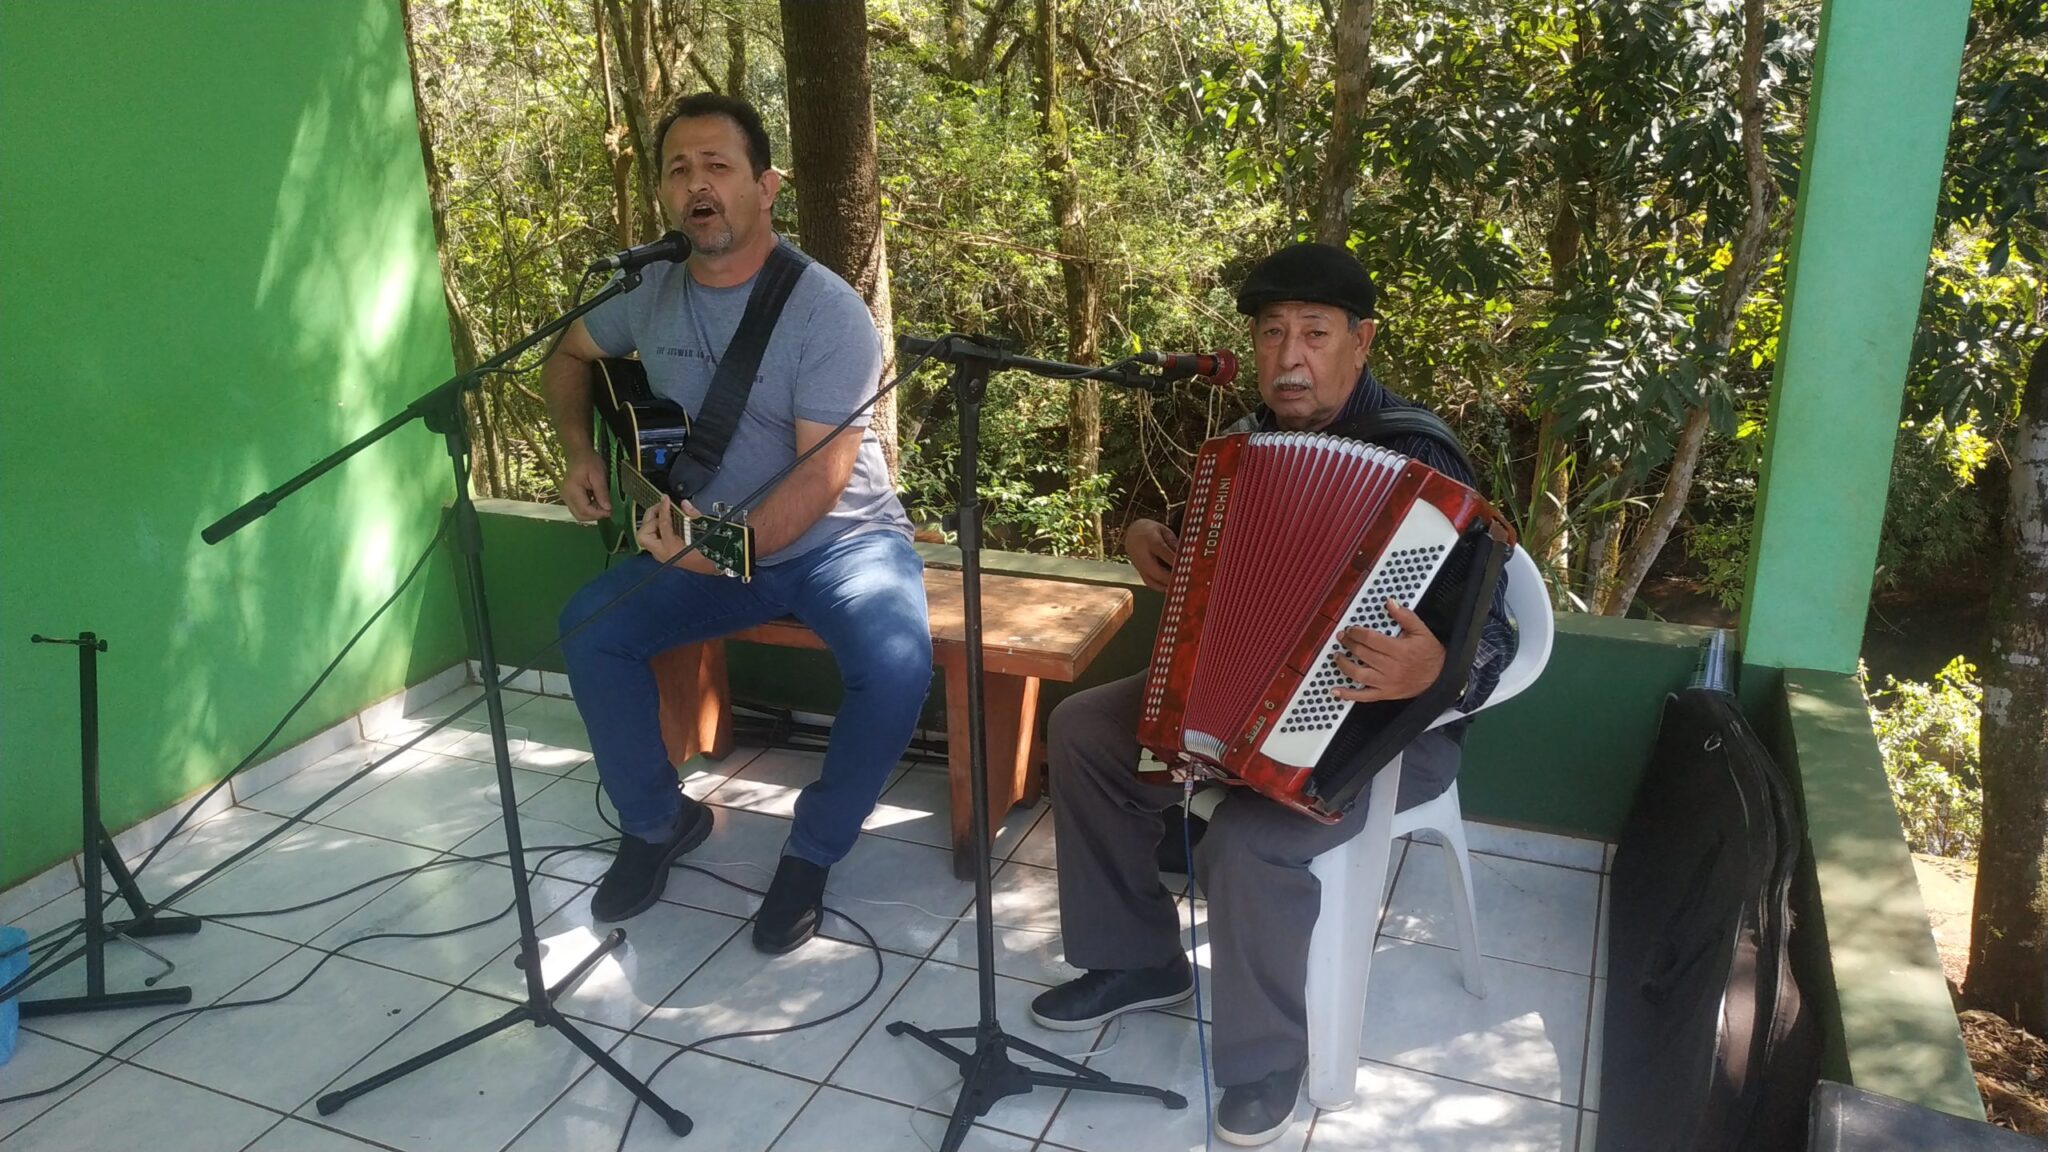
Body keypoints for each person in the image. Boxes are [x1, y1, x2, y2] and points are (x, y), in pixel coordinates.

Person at [1027, 243, 1517, 1146]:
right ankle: (1137, 961)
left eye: (1315, 335)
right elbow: (1211, 558)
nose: (1290, 356)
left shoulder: (1423, 459)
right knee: (1087, 728)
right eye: (1272, 334)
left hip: (1391, 727)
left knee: (1250, 842)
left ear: (1360, 343)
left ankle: (1264, 1061)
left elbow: (1495, 635)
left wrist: (1434, 670)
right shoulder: (1247, 445)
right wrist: (1145, 533)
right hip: (1241, 697)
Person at [539, 94, 932, 953]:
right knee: (591, 628)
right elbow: (567, 354)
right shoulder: (645, 290)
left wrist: (712, 554)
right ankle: (654, 824)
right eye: (679, 169)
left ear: (766, 186)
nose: (697, 185)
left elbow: (819, 484)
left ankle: (814, 849)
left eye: (718, 165)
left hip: (840, 543)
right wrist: (580, 451)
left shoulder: (827, 312)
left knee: (897, 665)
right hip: (709, 538)